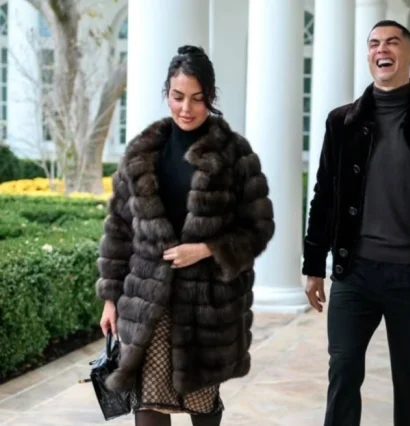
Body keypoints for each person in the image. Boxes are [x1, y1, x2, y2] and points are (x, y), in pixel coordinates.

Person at [301, 20, 410, 426]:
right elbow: (325, 195)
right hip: (354, 272)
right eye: (375, 43)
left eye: (393, 42)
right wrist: (314, 264)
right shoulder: (341, 122)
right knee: (343, 369)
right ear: (368, 55)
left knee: (409, 378)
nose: (383, 49)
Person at [96, 45, 275, 426]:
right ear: (167, 93)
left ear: (211, 96)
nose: (186, 108)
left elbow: (259, 227)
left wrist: (207, 249)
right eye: (178, 97)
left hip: (207, 307)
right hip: (150, 301)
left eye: (197, 98)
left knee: (202, 408)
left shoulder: (234, 155)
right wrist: (111, 299)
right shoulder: (143, 153)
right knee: (148, 409)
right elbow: (118, 232)